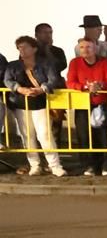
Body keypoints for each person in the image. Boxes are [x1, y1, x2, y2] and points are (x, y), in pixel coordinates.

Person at [5, 36, 66, 176]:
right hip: (21, 103)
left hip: (41, 103)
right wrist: (19, 89)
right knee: (27, 135)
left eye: (25, 47)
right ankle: (34, 165)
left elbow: (53, 79)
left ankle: (55, 165)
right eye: (20, 47)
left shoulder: (45, 64)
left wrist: (41, 89)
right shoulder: (13, 65)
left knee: (45, 134)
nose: (22, 50)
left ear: (34, 49)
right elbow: (7, 80)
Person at [64, 31, 107, 174]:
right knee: (85, 136)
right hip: (83, 104)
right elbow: (70, 82)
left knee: (105, 135)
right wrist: (85, 87)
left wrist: (100, 85)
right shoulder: (75, 62)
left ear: (95, 48)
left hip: (102, 103)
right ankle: (90, 165)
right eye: (82, 47)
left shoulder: (105, 62)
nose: (85, 50)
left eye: (88, 47)